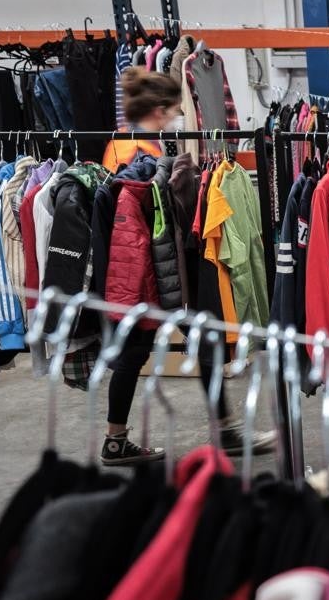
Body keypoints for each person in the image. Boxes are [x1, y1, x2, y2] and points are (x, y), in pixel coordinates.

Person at [100, 68, 274, 465]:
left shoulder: (121, 146)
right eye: (178, 110)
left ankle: (215, 429)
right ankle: (122, 439)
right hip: (153, 272)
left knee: (177, 344)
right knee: (155, 347)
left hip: (151, 269)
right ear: (160, 111)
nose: (180, 117)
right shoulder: (141, 153)